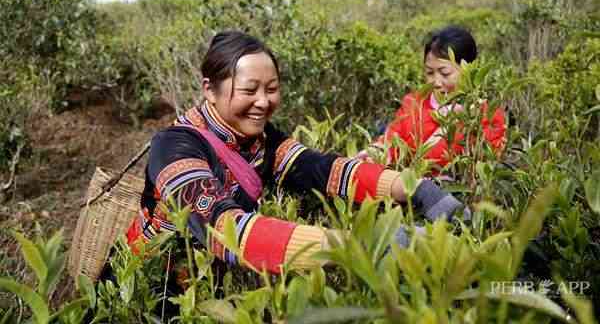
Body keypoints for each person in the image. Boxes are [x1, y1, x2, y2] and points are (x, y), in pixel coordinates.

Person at [125, 30, 468, 278]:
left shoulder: (263, 139)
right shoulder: (175, 146)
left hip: (216, 281)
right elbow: (223, 228)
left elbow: (323, 169)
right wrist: (356, 246)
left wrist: (416, 188)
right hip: (156, 289)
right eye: (249, 90)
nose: (263, 102)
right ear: (209, 90)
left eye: (272, 89)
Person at [359, 25, 506, 171]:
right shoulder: (414, 103)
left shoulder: (486, 115)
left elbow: (486, 166)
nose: (435, 82)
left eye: (445, 73)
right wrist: (376, 152)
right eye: (430, 73)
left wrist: (458, 120)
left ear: (468, 69)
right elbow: (392, 140)